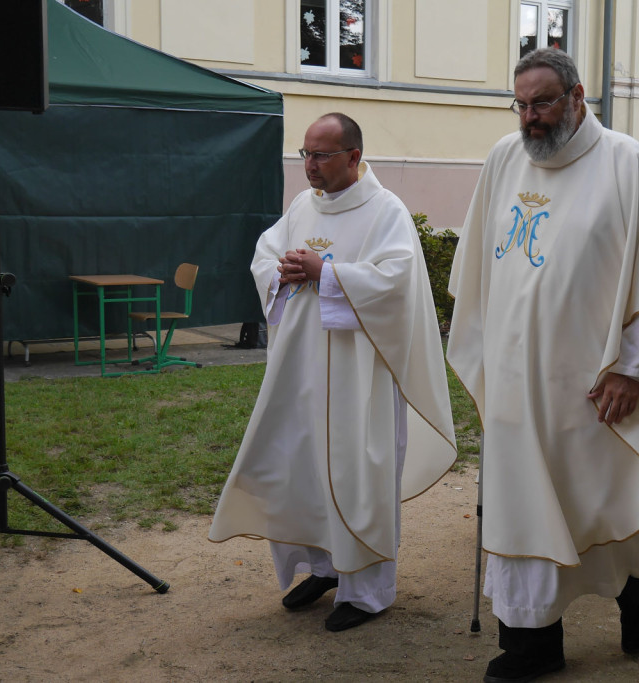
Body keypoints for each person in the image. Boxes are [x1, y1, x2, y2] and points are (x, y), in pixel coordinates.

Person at [447, 48, 639, 682]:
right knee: (521, 501)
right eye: (522, 104)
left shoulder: (626, 162)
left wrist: (632, 371)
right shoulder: (505, 158)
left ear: (578, 96)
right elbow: (481, 267)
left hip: (592, 380)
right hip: (512, 377)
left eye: (544, 103)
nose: (531, 118)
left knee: (604, 495)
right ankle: (532, 641)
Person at [208, 113, 456, 632]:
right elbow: (268, 250)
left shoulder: (386, 211)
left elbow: (397, 282)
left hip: (358, 375)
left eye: (321, 155)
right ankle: (324, 567)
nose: (310, 167)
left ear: (353, 157)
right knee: (302, 464)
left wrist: (328, 274)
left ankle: (367, 592)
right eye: (305, 154)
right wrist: (283, 268)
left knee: (356, 472)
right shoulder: (303, 206)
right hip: (300, 367)